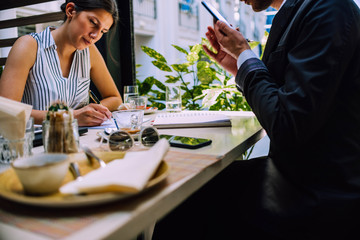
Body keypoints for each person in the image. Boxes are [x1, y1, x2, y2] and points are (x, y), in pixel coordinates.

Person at [152, 0, 360, 239]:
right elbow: (285, 101)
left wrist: (244, 56)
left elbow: (285, 124)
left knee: (182, 200)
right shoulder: (303, 11)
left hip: (320, 193)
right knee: (184, 190)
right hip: (300, 176)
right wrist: (238, 67)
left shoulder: (329, 9)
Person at [0, 0, 122, 126]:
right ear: (70, 11)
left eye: (103, 31)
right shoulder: (29, 46)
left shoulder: (89, 52)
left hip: (77, 140)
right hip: (36, 142)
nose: (95, 35)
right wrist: (71, 116)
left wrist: (92, 112)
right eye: (93, 22)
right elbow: (6, 109)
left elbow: (115, 98)